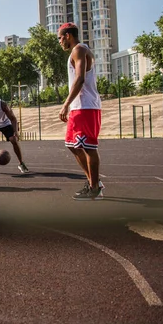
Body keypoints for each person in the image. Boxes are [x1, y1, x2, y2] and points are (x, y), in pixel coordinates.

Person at [57, 22, 104, 201]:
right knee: (72, 145)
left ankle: (94, 188)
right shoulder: (79, 51)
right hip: (81, 107)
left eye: (60, 38)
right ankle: (94, 182)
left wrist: (65, 104)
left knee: (89, 148)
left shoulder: (79, 50)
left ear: (68, 35)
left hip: (85, 106)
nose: (60, 42)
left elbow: (80, 78)